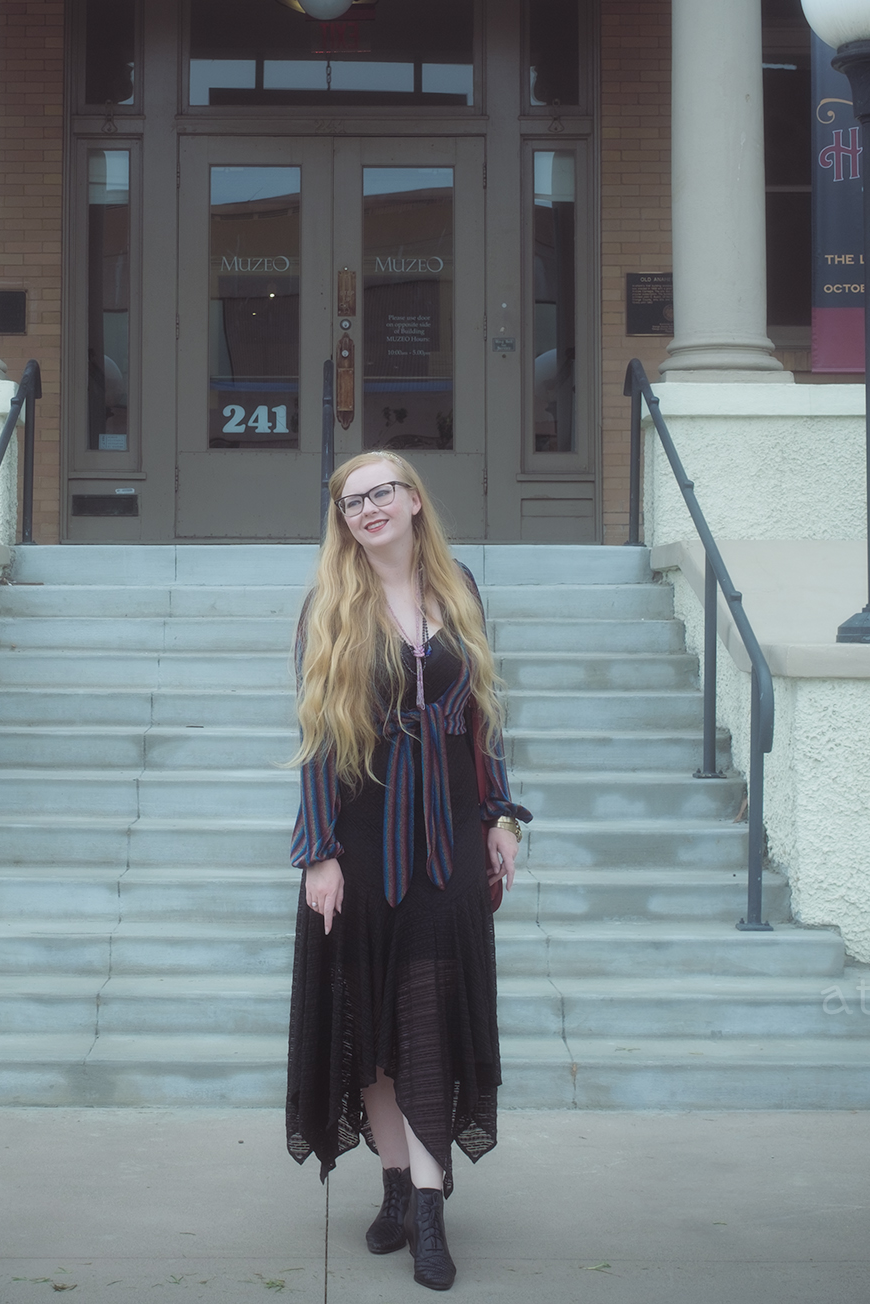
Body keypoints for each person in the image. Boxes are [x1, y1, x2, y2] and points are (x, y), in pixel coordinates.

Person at [285, 451, 531, 1293]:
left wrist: (500, 812)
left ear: (415, 500)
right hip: (361, 846)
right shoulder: (332, 606)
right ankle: (396, 1187)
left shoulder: (457, 586)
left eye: (381, 492)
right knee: (374, 1037)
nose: (368, 509)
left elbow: (483, 714)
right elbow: (319, 740)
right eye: (352, 501)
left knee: (426, 1023)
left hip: (449, 848)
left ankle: (428, 1213)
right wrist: (317, 850)